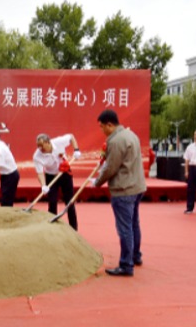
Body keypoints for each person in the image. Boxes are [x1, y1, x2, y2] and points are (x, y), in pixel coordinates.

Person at [93, 109, 146, 277]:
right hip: (137, 187)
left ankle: (126, 264)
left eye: (102, 127)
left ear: (110, 124)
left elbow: (111, 168)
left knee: (125, 229)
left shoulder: (116, 141)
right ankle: (135, 256)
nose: (102, 131)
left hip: (123, 190)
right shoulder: (131, 135)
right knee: (133, 224)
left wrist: (97, 182)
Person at [33, 133, 82, 230]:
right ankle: (52, 229)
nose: (40, 148)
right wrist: (43, 185)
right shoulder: (37, 156)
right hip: (50, 176)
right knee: (52, 203)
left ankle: (74, 228)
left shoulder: (59, 142)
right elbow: (40, 173)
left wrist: (76, 150)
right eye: (38, 146)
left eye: (41, 145)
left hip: (64, 173)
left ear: (48, 142)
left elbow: (71, 136)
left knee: (69, 202)